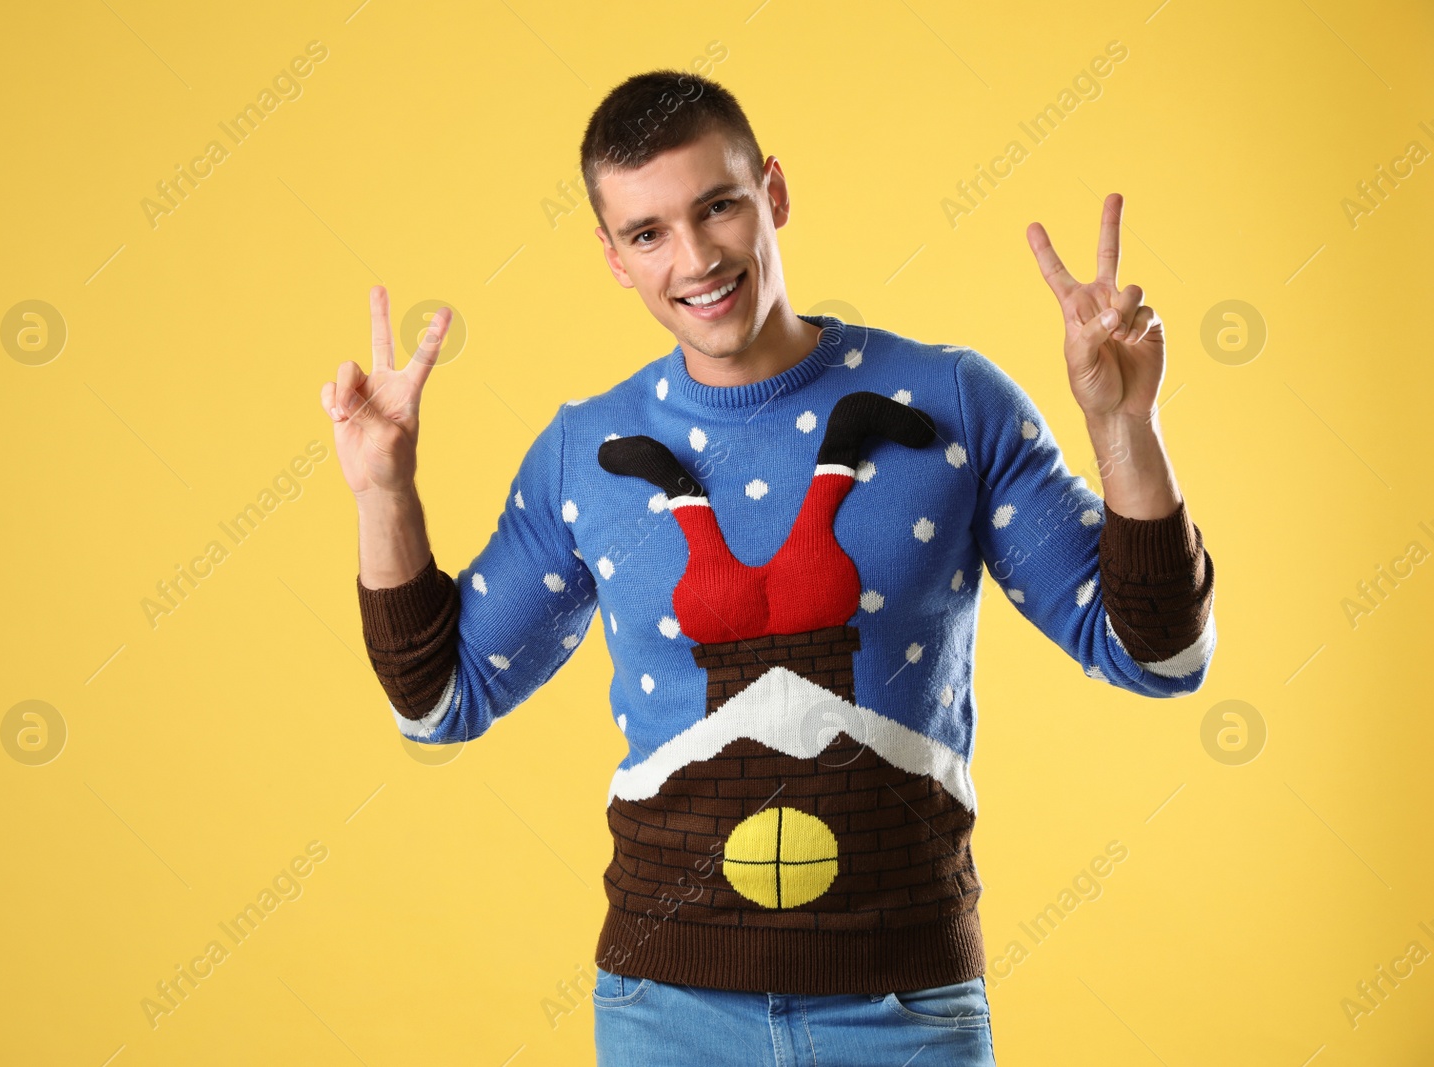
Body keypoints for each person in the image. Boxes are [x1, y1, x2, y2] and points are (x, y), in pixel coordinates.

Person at [321, 70, 1215, 1067]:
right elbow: (438, 701)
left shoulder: (954, 400)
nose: (696, 258)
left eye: (718, 207)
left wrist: (1122, 425)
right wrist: (384, 492)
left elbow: (1159, 653)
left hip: (905, 1006)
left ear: (773, 194)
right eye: (648, 232)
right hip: (665, 1013)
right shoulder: (587, 450)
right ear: (613, 257)